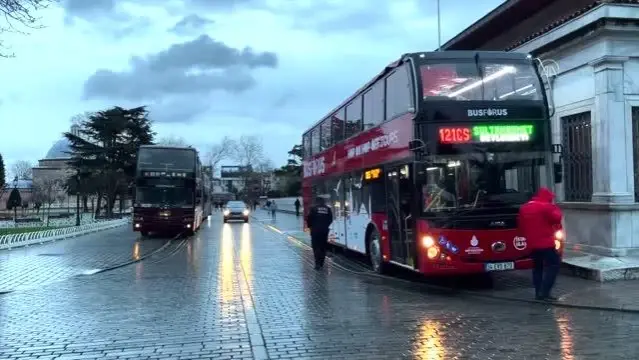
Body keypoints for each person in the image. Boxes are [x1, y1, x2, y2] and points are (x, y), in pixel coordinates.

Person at [518, 187, 563, 301]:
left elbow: (521, 226)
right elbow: (557, 218)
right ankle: (545, 292)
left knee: (537, 267)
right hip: (546, 243)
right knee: (553, 265)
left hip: (532, 244)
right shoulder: (545, 207)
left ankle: (538, 293)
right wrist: (554, 207)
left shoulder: (524, 208)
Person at [306, 196, 333, 270]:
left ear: (316, 202)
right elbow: (330, 219)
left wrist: (310, 226)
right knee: (323, 247)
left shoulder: (313, 208)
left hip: (315, 230)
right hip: (324, 231)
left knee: (316, 247)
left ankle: (317, 264)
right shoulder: (328, 209)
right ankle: (321, 263)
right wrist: (326, 226)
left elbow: (308, 218)